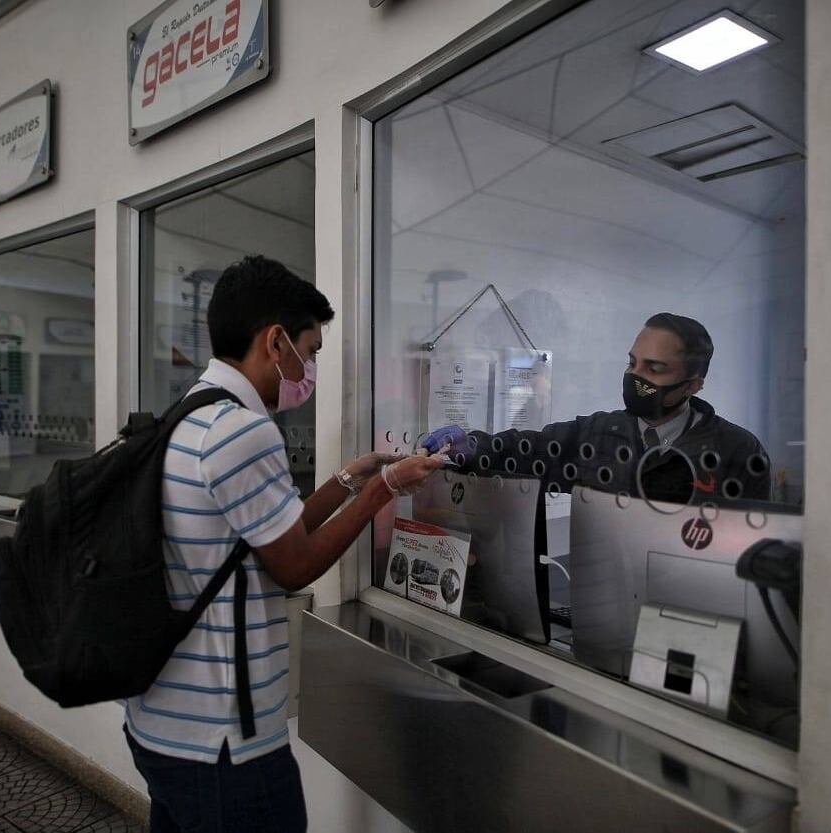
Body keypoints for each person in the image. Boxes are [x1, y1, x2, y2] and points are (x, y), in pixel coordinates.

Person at [124, 255, 444, 833]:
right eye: (312, 350)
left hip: (161, 723)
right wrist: (382, 491)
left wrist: (348, 479)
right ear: (276, 342)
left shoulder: (190, 415)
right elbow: (293, 566)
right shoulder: (244, 431)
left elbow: (269, 531)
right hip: (226, 741)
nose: (310, 367)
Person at [423, 313, 771, 503]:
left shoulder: (736, 451)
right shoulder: (596, 434)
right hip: (603, 603)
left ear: (693, 384)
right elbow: (525, 449)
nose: (636, 376)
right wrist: (471, 446)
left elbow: (750, 549)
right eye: (632, 363)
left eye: (654, 368)